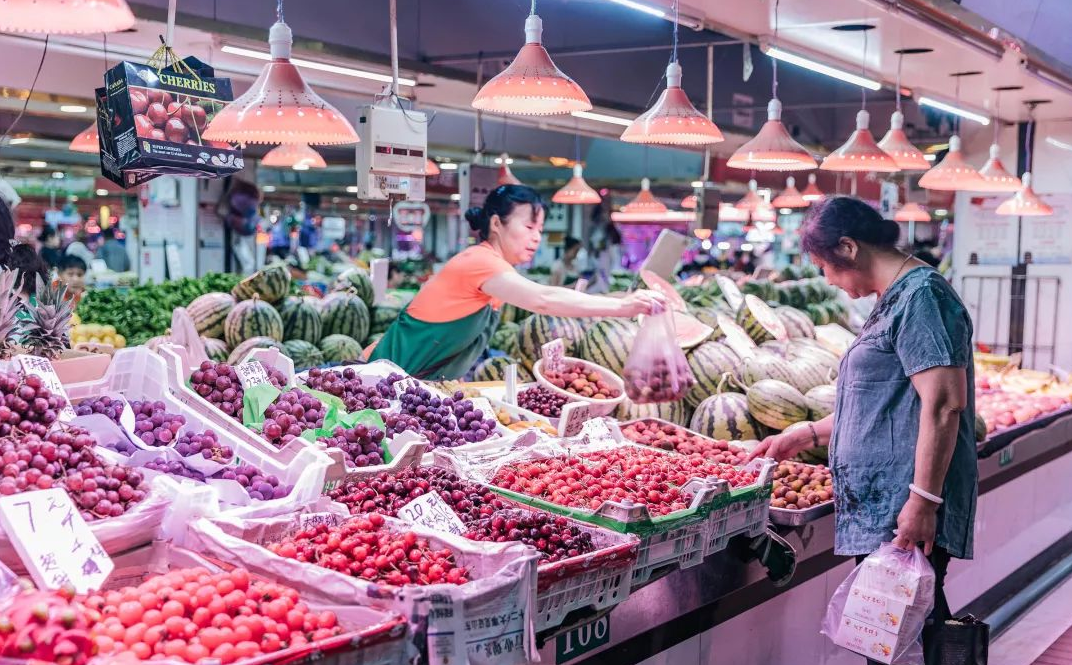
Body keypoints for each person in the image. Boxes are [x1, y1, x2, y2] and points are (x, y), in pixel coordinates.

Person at [747, 197, 977, 665]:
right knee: (894, 642)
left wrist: (923, 501)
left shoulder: (921, 297)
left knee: (905, 643)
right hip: (882, 506)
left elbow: (944, 404)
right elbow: (884, 403)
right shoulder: (893, 298)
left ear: (848, 248)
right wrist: (808, 434)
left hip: (901, 506)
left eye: (824, 266)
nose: (826, 280)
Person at [369, 185, 665, 380]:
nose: (537, 237)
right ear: (496, 224)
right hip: (382, 381)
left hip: (408, 383)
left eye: (541, 229)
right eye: (528, 226)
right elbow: (543, 299)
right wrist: (622, 306)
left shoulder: (495, 268)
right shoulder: (478, 262)